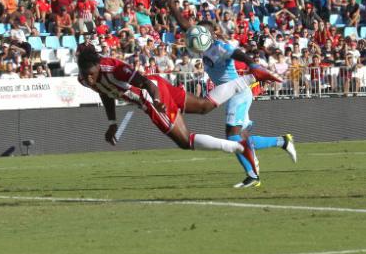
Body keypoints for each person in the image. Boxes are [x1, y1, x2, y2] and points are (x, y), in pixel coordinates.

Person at [76, 45, 272, 174]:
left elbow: (146, 83)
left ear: (98, 65)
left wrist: (158, 101)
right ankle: (253, 77)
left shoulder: (114, 67)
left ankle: (239, 147)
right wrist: (112, 123)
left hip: (152, 97)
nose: (90, 79)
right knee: (204, 106)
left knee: (185, 141)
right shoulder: (85, 79)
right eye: (86, 75)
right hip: (157, 90)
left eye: (92, 73)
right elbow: (104, 91)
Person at [168, 0, 297, 188]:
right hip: (230, 93)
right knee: (241, 138)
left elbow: (237, 53)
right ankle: (283, 141)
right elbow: (186, 25)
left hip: (238, 93)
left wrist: (252, 64)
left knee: (232, 136)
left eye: (202, 32)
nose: (196, 34)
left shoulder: (218, 46)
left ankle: (253, 176)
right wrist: (172, 6)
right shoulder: (202, 43)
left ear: (210, 34)